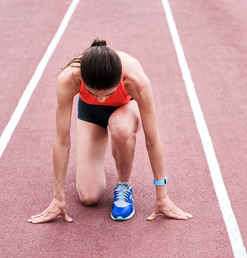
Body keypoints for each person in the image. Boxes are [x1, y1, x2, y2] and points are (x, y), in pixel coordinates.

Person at [28, 39, 192, 223]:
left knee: (120, 127)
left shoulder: (135, 79)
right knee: (89, 197)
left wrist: (162, 195)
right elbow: (62, 140)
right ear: (83, 79)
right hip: (90, 114)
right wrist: (58, 197)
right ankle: (89, 165)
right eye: (94, 93)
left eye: (107, 94)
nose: (101, 100)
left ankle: (124, 184)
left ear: (120, 80)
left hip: (126, 109)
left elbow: (153, 140)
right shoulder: (70, 78)